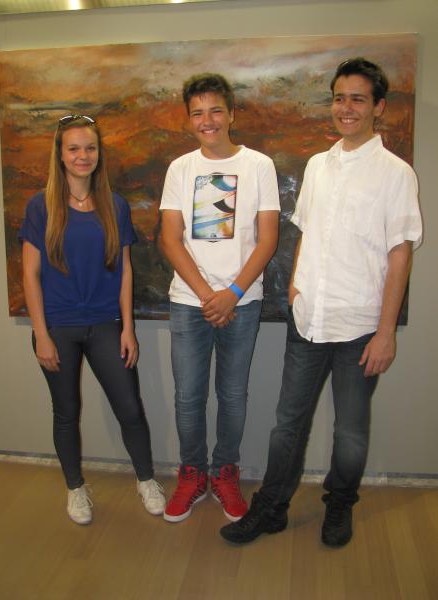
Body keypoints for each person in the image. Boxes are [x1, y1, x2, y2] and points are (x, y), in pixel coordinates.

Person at [220, 58, 422, 546]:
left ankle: (340, 504)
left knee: (350, 432)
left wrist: (386, 332)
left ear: (378, 107)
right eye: (339, 98)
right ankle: (271, 508)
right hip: (308, 320)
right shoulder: (318, 166)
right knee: (286, 426)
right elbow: (307, 233)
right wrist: (295, 288)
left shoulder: (396, 174)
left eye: (358, 99)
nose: (346, 108)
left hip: (360, 327)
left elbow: (399, 255)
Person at [20, 114, 165, 525]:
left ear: (99, 154)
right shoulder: (40, 205)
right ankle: (75, 488)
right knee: (66, 411)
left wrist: (128, 328)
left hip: (105, 324)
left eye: (90, 148)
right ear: (60, 154)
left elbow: (125, 269)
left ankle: (146, 480)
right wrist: (41, 334)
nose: (82, 156)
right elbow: (30, 274)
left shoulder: (114, 205)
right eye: (74, 148)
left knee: (130, 409)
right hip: (58, 327)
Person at [159, 73, 280, 523]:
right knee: (188, 397)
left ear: (231, 114)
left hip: (242, 303)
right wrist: (208, 294)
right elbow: (170, 239)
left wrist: (232, 293)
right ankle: (192, 474)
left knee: (232, 395)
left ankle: (225, 473)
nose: (206, 120)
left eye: (215, 110)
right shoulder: (180, 168)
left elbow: (268, 239)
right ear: (189, 119)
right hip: (188, 302)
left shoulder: (259, 166)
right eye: (197, 113)